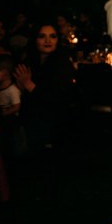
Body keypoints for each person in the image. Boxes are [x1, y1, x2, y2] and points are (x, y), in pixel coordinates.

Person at [13, 23, 78, 153]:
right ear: (35, 39)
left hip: (55, 124)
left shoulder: (62, 63)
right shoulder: (30, 61)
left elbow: (54, 100)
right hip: (30, 120)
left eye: (52, 36)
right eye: (42, 36)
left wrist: (28, 85)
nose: (48, 41)